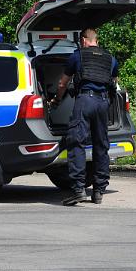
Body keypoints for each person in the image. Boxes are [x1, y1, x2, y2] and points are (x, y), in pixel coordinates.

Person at [49, 28, 118, 206]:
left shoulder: (77, 56)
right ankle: (98, 192)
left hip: (85, 101)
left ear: (83, 41)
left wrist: (56, 100)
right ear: (97, 41)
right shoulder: (110, 58)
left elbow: (62, 83)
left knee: (76, 142)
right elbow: (114, 83)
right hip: (103, 104)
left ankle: (79, 189)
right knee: (101, 145)